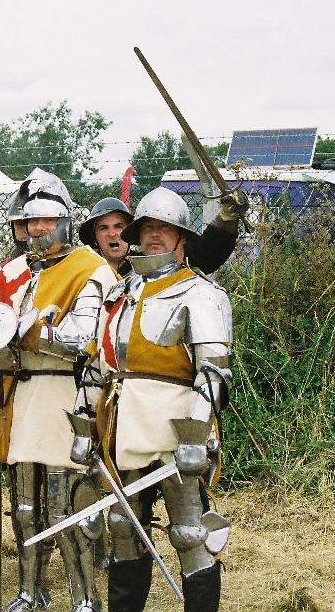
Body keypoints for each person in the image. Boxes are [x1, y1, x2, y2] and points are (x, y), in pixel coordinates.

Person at [0, 169, 119, 612]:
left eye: (47, 220)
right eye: (31, 221)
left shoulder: (90, 269)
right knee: (24, 507)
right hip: (21, 394)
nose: (37, 228)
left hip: (65, 395)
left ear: (65, 221)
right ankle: (31, 593)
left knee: (65, 506)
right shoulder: (27, 273)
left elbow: (84, 340)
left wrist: (31, 331)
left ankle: (84, 598)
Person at [94, 187, 232, 611]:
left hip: (177, 425)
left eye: (165, 228)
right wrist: (85, 421)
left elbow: (213, 372)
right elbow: (100, 363)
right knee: (124, 527)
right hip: (126, 424)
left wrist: (195, 435)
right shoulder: (121, 292)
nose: (155, 235)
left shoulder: (200, 293)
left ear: (182, 237)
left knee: (191, 533)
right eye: (147, 227)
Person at [77, 195, 239, 276]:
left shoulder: (152, 262)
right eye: (104, 228)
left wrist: (226, 218)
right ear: (94, 238)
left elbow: (206, 255)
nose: (112, 234)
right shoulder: (84, 272)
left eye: (119, 226)